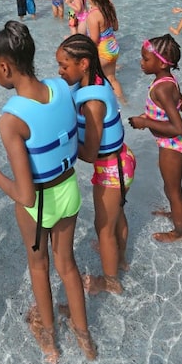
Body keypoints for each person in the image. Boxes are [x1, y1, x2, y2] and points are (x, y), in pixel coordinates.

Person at [0, 21, 96, 364]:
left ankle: (50, 341)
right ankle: (84, 337)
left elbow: (24, 195)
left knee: (39, 267)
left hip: (39, 205)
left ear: (4, 67)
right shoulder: (62, 88)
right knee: (67, 266)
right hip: (69, 190)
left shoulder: (11, 119)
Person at [56, 35, 135, 295]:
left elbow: (90, 153)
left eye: (64, 65)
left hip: (111, 170)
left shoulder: (92, 103)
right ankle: (121, 259)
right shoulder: (96, 83)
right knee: (116, 215)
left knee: (103, 229)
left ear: (84, 64)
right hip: (122, 161)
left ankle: (111, 281)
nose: (60, 71)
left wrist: (62, 143)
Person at [128, 35, 182, 242]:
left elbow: (177, 127)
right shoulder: (167, 81)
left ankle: (180, 231)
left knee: (173, 190)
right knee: (171, 187)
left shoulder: (161, 87)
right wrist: (150, 116)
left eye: (146, 59)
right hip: (173, 143)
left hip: (171, 145)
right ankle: (176, 214)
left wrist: (146, 123)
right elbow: (181, 105)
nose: (141, 62)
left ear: (162, 62)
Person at [86, 0, 125, 102]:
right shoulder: (109, 8)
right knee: (112, 78)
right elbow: (116, 28)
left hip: (102, 51)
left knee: (89, 78)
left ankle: (99, 104)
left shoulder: (93, 15)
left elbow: (94, 40)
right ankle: (123, 102)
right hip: (113, 48)